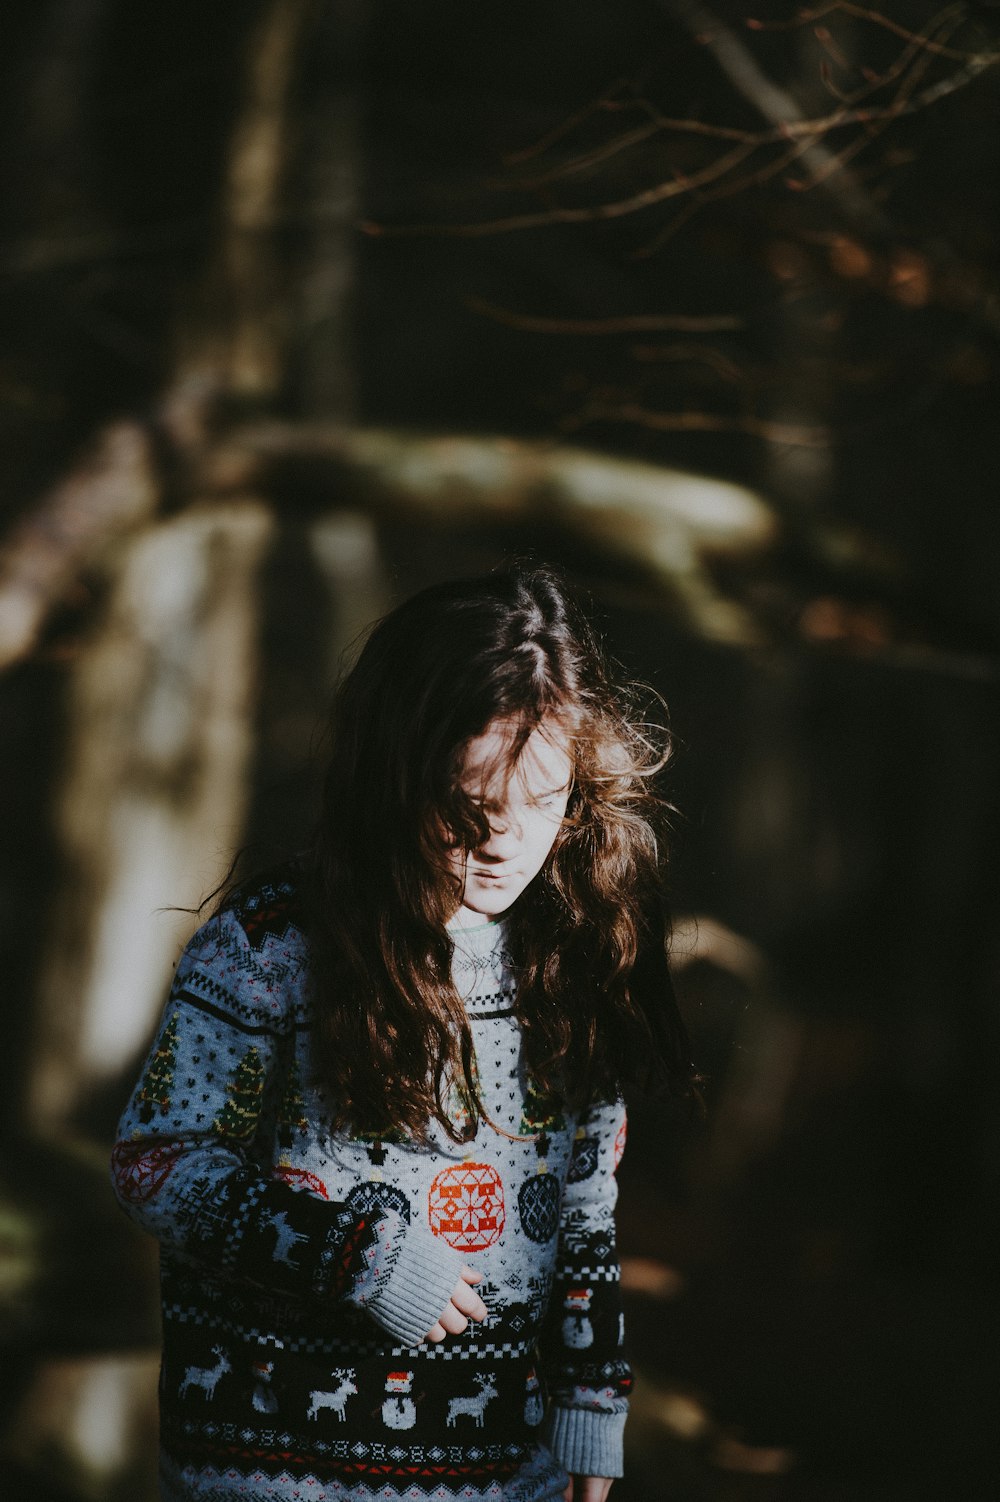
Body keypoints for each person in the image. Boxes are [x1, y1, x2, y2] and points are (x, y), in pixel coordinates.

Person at [111, 565, 695, 1502]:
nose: (505, 843)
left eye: (542, 803)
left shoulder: (572, 955)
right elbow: (157, 1163)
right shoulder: (272, 947)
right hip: (276, 1473)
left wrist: (592, 1409)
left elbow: (583, 1207)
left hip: (510, 1476)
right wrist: (356, 1258)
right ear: (396, 773)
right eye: (470, 808)